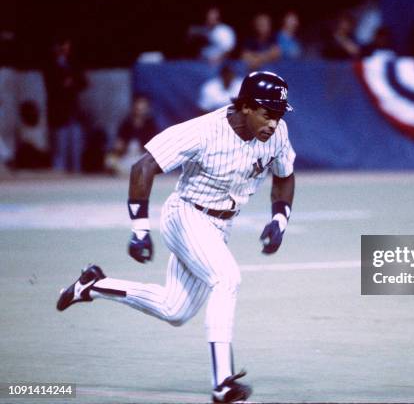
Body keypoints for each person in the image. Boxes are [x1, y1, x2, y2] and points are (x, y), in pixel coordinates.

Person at [56, 71, 296, 403]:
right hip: (185, 216)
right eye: (268, 113)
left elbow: (284, 175)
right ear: (245, 107)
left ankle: (92, 285)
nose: (274, 122)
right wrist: (140, 229)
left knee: (175, 310)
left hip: (219, 227)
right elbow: (143, 167)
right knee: (227, 278)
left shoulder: (277, 134)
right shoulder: (202, 132)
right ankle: (223, 383)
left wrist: (280, 219)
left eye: (280, 114)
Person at [43, 36, 88, 173]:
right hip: (58, 114)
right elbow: (53, 86)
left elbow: (83, 82)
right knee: (60, 149)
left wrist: (71, 82)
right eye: (63, 46)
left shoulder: (73, 64)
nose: (65, 49)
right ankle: (59, 177)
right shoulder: (50, 65)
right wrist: (65, 83)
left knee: (75, 147)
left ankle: (77, 175)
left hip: (74, 112)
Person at [105, 95, 159, 175]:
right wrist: (119, 147)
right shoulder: (126, 124)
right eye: (138, 109)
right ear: (134, 108)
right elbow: (119, 144)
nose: (140, 112)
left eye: (143, 109)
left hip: (142, 156)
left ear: (147, 109)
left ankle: (133, 172)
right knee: (109, 161)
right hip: (126, 156)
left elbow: (154, 146)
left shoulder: (151, 125)